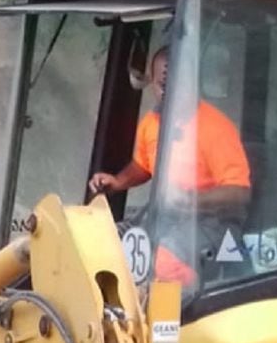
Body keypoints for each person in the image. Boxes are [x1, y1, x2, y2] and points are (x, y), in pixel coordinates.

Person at [88, 46, 251, 290]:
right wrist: (118, 181)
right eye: (163, 85)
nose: (170, 91)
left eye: (178, 83)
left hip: (212, 222)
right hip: (164, 215)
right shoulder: (151, 123)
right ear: (152, 82)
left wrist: (191, 200)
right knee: (102, 243)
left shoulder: (216, 128)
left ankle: (183, 307)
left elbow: (239, 193)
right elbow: (143, 164)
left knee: (164, 260)